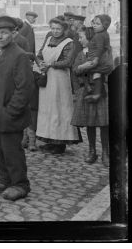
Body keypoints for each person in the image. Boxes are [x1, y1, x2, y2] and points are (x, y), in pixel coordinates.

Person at [0, 16, 35, 201]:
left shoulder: (19, 55)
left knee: (12, 151)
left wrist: (11, 111)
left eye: (5, 33)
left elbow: (25, 88)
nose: (0, 37)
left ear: (14, 34)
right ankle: (4, 179)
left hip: (10, 115)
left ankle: (20, 184)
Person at [36, 18, 80, 154]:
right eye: (53, 28)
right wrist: (41, 63)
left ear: (64, 29)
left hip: (60, 80)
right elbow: (39, 54)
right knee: (47, 108)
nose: (55, 31)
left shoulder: (69, 43)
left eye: (58, 29)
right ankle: (49, 139)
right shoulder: (48, 38)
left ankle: (60, 143)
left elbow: (68, 62)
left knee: (60, 109)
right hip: (47, 78)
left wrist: (51, 64)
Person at [71, 26, 110, 166]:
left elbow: (107, 67)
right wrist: (81, 68)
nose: (79, 40)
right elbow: (75, 70)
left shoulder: (102, 53)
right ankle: (92, 151)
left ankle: (106, 152)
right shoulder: (81, 54)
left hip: (101, 91)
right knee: (90, 124)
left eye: (81, 37)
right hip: (85, 91)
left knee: (104, 124)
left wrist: (87, 67)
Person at [80, 14, 113, 104]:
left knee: (90, 71)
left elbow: (100, 48)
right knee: (97, 74)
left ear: (105, 25)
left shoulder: (99, 36)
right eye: (93, 23)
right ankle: (100, 91)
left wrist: (96, 59)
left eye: (97, 24)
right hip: (106, 59)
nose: (94, 25)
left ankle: (95, 93)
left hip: (101, 60)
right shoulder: (104, 33)